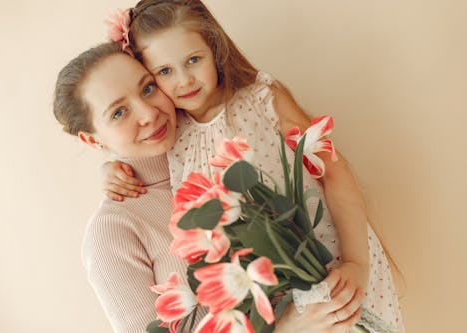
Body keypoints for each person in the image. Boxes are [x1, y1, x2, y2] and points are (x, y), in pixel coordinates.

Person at [101, 1, 405, 332]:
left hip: (335, 265)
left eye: (193, 60)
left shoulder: (261, 99)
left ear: (214, 49)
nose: (184, 80)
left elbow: (333, 170)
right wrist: (108, 169)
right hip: (272, 298)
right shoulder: (175, 132)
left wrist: (357, 263)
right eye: (164, 71)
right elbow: (135, 149)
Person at [53, 42, 365, 333]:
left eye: (148, 88)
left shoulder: (225, 139)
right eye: (119, 112)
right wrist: (286, 327)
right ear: (93, 139)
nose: (149, 114)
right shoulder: (113, 231)